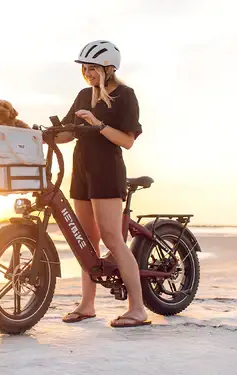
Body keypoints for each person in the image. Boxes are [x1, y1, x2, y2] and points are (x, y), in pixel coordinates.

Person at [57, 40, 150, 328]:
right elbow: (65, 134)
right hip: (82, 171)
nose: (87, 73)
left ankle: (138, 309)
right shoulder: (84, 95)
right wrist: (39, 131)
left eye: (93, 68)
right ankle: (87, 305)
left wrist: (97, 123)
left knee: (112, 238)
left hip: (107, 171)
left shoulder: (125, 95)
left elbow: (127, 141)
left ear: (109, 69)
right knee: (87, 241)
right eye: (85, 68)